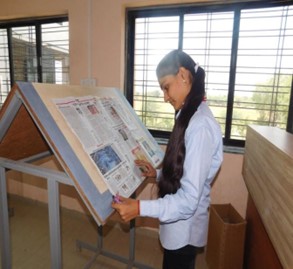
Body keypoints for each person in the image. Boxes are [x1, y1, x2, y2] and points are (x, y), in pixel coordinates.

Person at [112, 49, 223, 269]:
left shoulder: (200, 125)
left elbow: (189, 200)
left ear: (182, 75)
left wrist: (140, 208)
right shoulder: (187, 114)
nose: (164, 97)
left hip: (185, 230)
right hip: (177, 224)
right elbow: (186, 172)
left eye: (166, 86)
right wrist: (158, 174)